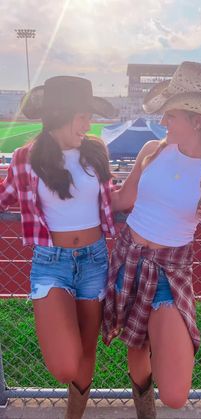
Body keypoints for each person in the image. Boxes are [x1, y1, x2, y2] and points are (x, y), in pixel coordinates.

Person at [102, 61, 201, 418]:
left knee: (176, 393)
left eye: (170, 114)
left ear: (196, 119)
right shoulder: (152, 150)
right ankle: (146, 413)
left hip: (170, 273)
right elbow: (122, 200)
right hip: (128, 259)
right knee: (135, 346)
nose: (163, 123)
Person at [0, 76, 116, 419]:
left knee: (86, 353)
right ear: (63, 114)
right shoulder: (25, 158)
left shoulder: (96, 151)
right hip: (52, 263)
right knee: (67, 364)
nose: (88, 123)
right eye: (83, 115)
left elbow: (112, 197)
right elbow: (6, 197)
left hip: (95, 260)